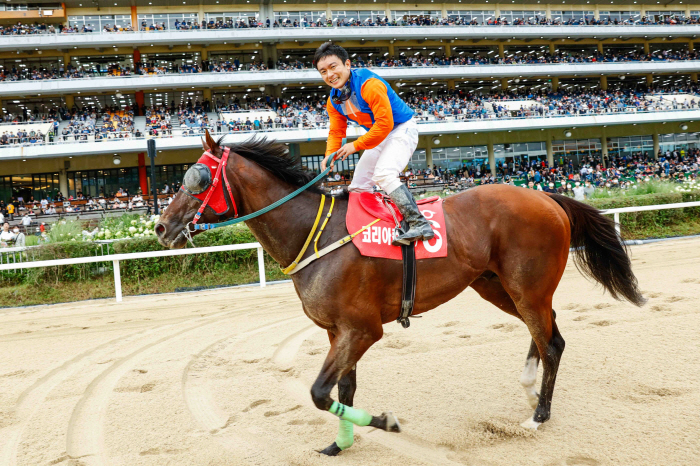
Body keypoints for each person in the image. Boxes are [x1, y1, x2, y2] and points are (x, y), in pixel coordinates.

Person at [315, 42, 433, 245]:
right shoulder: (333, 99)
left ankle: (419, 223)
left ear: (347, 64)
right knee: (358, 187)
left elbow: (385, 124)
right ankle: (374, 228)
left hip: (401, 128)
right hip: (379, 134)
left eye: (333, 67)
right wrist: (330, 155)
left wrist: (356, 145)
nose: (329, 75)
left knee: (384, 174)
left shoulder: (370, 85)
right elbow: (336, 131)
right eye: (323, 71)